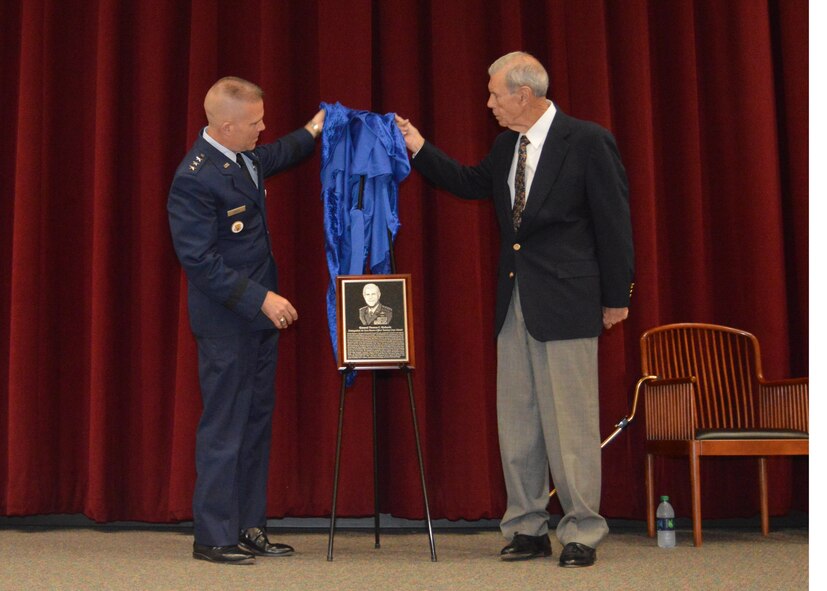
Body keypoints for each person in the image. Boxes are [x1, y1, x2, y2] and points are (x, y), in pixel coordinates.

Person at [395, 52, 634, 568]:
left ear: (523, 94)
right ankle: (527, 526)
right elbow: (467, 183)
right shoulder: (508, 145)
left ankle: (582, 531)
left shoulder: (587, 140)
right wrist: (417, 146)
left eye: (494, 94)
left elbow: (614, 222)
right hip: (515, 299)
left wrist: (618, 296)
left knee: (570, 422)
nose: (489, 103)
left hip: (568, 299)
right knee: (519, 420)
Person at [167, 76, 324, 565]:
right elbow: (199, 260)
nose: (263, 128)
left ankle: (247, 524)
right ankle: (212, 536)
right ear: (226, 125)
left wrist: (315, 129)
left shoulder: (244, 157)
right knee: (224, 427)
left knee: (255, 424)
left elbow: (277, 153)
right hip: (227, 321)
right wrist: (261, 300)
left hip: (256, 321)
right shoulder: (194, 177)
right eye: (255, 122)